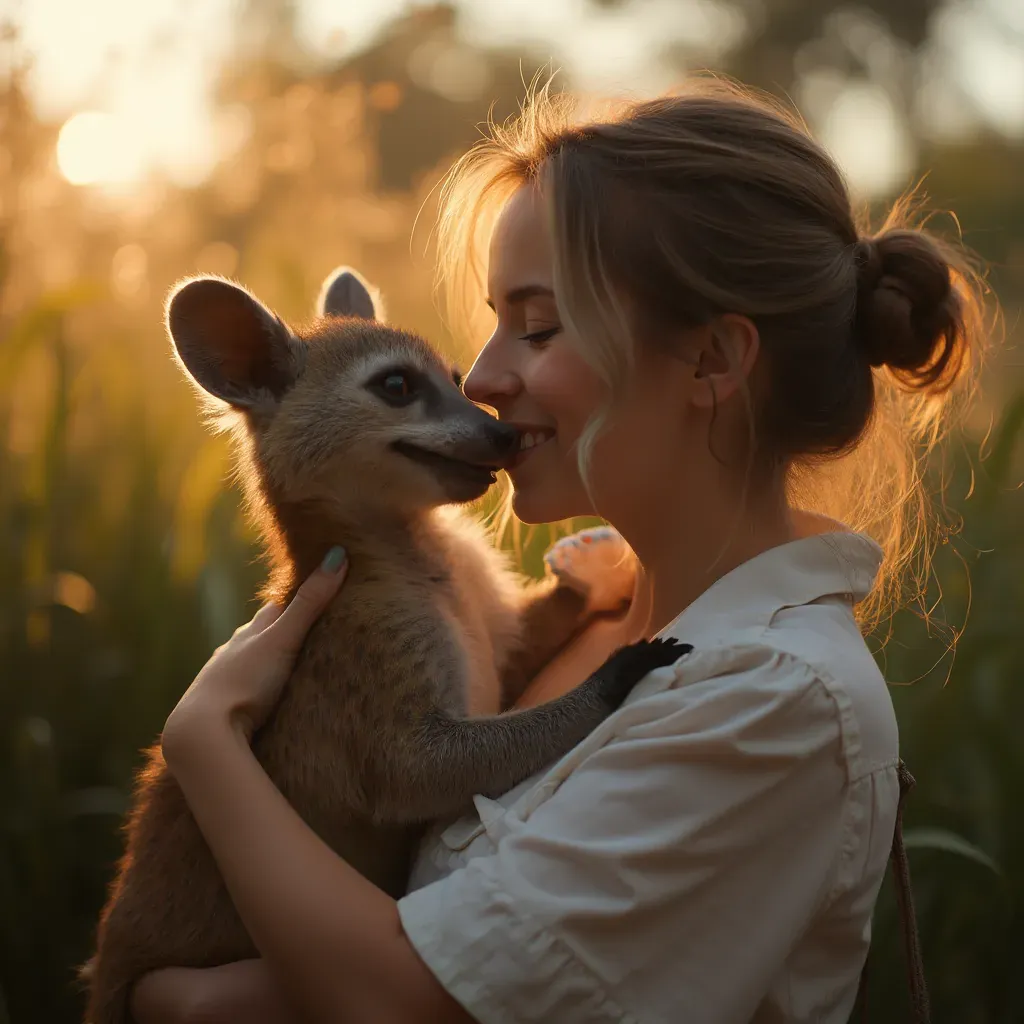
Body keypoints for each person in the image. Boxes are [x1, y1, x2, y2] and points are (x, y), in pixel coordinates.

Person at [129, 77, 984, 1023]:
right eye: (494, 322)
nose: (486, 377)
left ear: (712, 361)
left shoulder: (772, 703)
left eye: (537, 326)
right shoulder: (602, 610)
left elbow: (417, 1004)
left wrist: (203, 745)